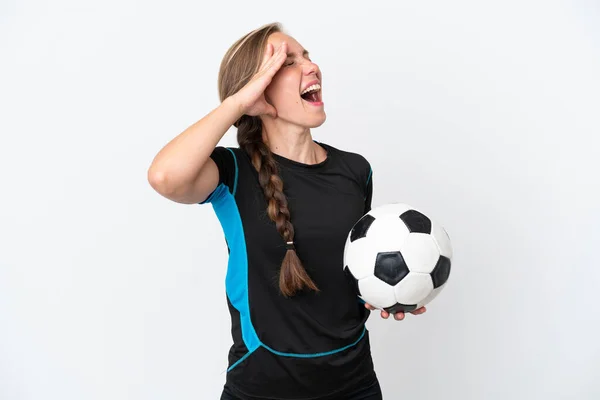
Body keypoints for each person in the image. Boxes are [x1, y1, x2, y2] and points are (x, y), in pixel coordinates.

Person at [147, 22, 427, 400]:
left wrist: (390, 288)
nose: (311, 67)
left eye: (307, 56)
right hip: (260, 387)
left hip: (353, 382)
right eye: (288, 63)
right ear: (256, 87)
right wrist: (235, 105)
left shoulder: (355, 170)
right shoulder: (232, 171)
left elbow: (348, 266)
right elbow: (165, 177)